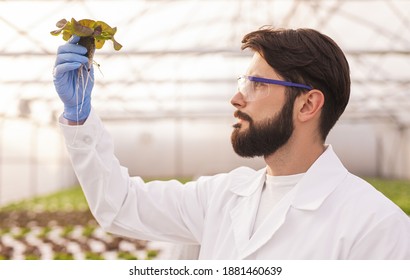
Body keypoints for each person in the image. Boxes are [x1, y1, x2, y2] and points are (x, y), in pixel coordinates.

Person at [53, 27, 410, 259]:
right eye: (243, 82)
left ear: (308, 105)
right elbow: (121, 206)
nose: (236, 98)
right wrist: (79, 118)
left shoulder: (377, 227)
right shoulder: (220, 196)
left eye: (257, 84)